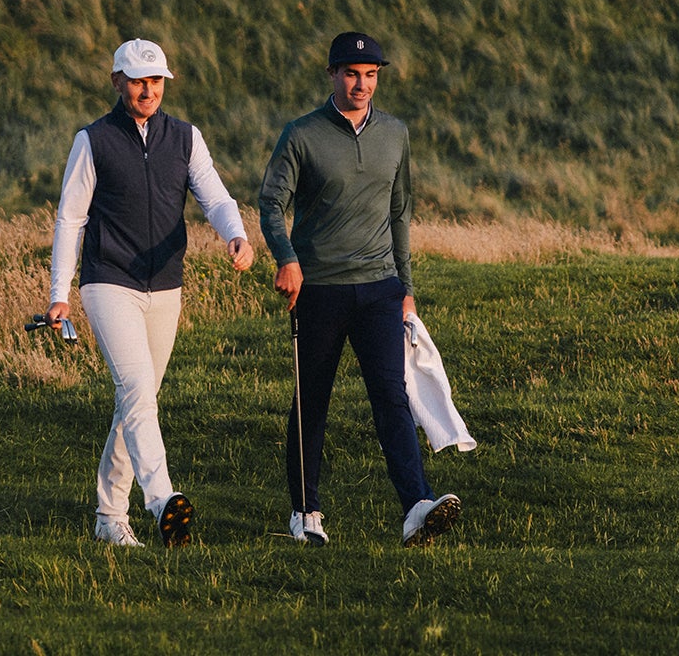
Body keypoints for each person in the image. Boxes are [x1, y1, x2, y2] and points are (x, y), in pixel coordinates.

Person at [49, 38, 255, 547]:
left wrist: (237, 234)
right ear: (117, 82)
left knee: (135, 400)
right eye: (138, 81)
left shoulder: (185, 138)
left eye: (156, 81)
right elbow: (71, 218)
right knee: (139, 391)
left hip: (165, 287)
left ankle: (108, 517)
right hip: (108, 281)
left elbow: (215, 195)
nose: (148, 91)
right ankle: (163, 500)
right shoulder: (92, 140)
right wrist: (59, 292)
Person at [259, 31, 461, 548]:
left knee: (392, 397)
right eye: (352, 74)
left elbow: (400, 213)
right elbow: (270, 204)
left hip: (380, 289)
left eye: (371, 75)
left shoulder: (395, 133)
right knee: (312, 402)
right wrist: (287, 259)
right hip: (319, 290)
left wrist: (407, 289)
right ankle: (306, 514)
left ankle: (417, 506)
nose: (362, 85)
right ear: (332, 74)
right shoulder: (301, 134)